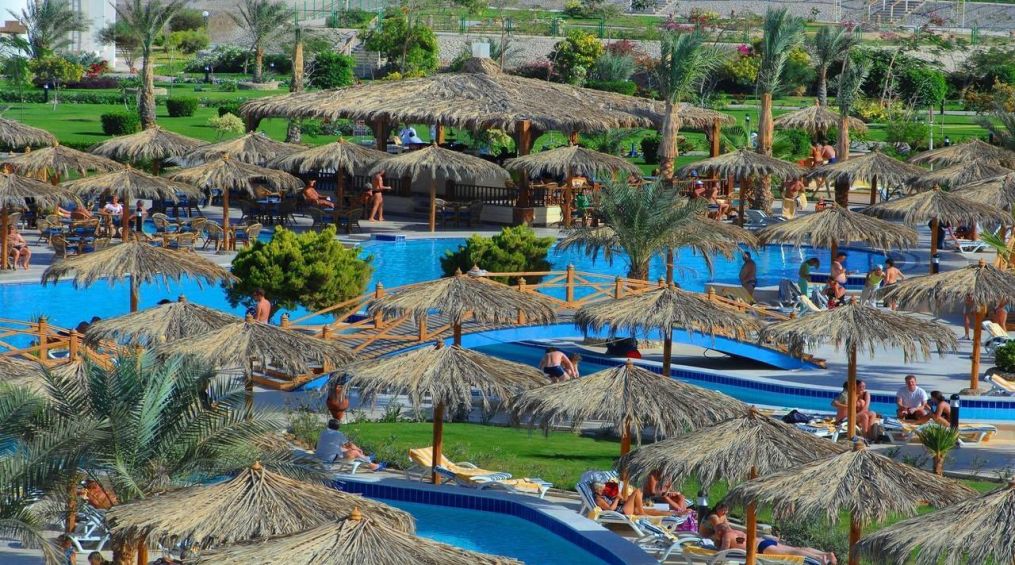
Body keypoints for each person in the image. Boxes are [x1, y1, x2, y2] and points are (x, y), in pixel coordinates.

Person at [316, 418, 386, 471]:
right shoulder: (338, 434)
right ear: (338, 427)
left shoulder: (323, 432)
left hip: (319, 455)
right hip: (329, 458)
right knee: (355, 452)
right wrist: (359, 449)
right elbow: (349, 444)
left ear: (328, 425)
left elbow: (337, 445)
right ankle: (373, 466)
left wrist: (348, 448)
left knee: (345, 449)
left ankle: (366, 458)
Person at [592, 480, 672, 517]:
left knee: (651, 510)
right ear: (597, 490)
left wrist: (620, 498)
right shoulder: (599, 499)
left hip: (623, 507)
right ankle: (641, 512)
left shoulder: (604, 495)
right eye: (601, 489)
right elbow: (610, 509)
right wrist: (617, 499)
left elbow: (617, 501)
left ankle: (673, 514)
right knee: (638, 491)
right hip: (621, 511)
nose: (603, 490)